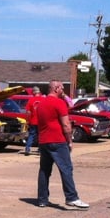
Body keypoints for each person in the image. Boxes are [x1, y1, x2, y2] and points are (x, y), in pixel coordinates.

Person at [31, 80, 89, 210]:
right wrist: (70, 141)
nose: (63, 91)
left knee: (44, 170)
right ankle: (72, 198)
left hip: (44, 141)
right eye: (62, 88)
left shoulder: (40, 104)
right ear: (56, 88)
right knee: (66, 169)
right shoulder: (59, 103)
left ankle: (42, 199)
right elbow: (66, 125)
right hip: (58, 140)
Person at [23, 86, 43, 155]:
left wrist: (27, 121)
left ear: (33, 92)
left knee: (31, 135)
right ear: (39, 92)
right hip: (41, 121)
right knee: (40, 135)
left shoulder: (31, 100)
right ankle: (40, 150)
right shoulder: (43, 99)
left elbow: (28, 112)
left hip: (33, 121)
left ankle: (27, 149)